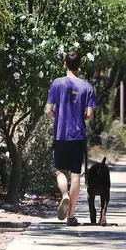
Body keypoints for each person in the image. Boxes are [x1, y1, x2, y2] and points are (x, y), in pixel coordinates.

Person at [45, 51, 96, 226]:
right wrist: (79, 118)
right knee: (76, 175)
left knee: (60, 171)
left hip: (60, 134)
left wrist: (58, 118)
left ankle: (64, 195)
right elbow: (89, 115)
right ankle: (71, 216)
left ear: (65, 64)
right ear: (80, 66)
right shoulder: (87, 87)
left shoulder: (56, 84)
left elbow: (48, 110)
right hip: (78, 135)